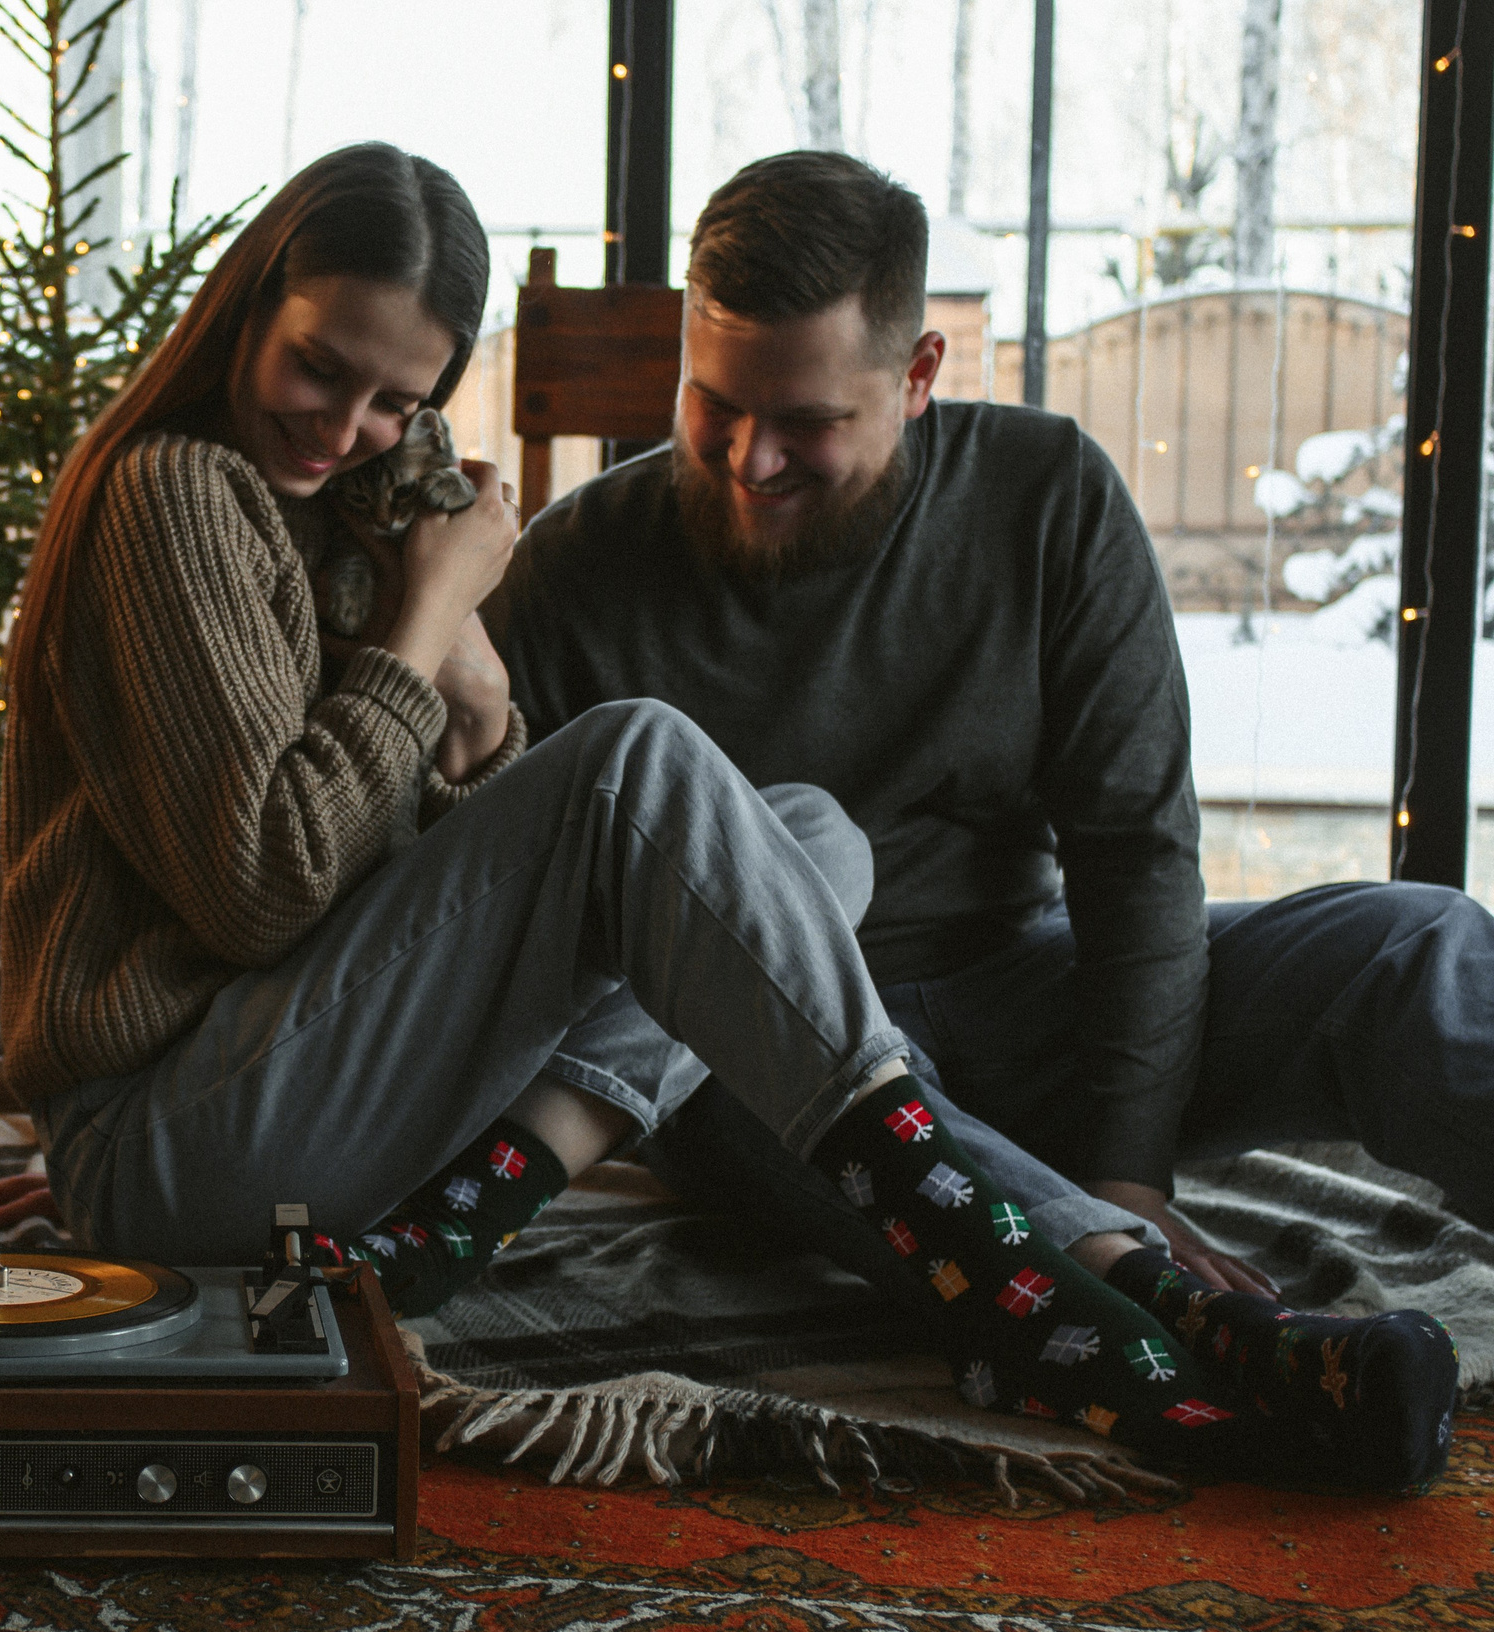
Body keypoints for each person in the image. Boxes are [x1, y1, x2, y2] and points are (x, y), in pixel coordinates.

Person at [0, 141, 1453, 1489]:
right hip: (493, 1096)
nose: (353, 425)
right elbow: (300, 897)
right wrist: (437, 613)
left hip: (973, 993)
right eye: (322, 369)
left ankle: (448, 1233)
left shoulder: (1041, 493)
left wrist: (475, 692)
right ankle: (1085, 1298)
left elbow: (460, 894)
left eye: (399, 400)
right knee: (645, 768)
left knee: (816, 833)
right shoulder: (205, 496)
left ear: (918, 373)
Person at [486, 148, 1464, 1486]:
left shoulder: (1049, 498)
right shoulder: (573, 572)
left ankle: (1094, 1241)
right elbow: (501, 921)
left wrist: (1130, 1165)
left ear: (920, 373)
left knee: (1415, 943)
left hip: (1023, 986)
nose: (747, 458)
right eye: (712, 403)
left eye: (807, 422)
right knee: (735, 1077)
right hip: (769, 1068)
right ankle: (1190, 1342)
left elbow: (1137, 860)